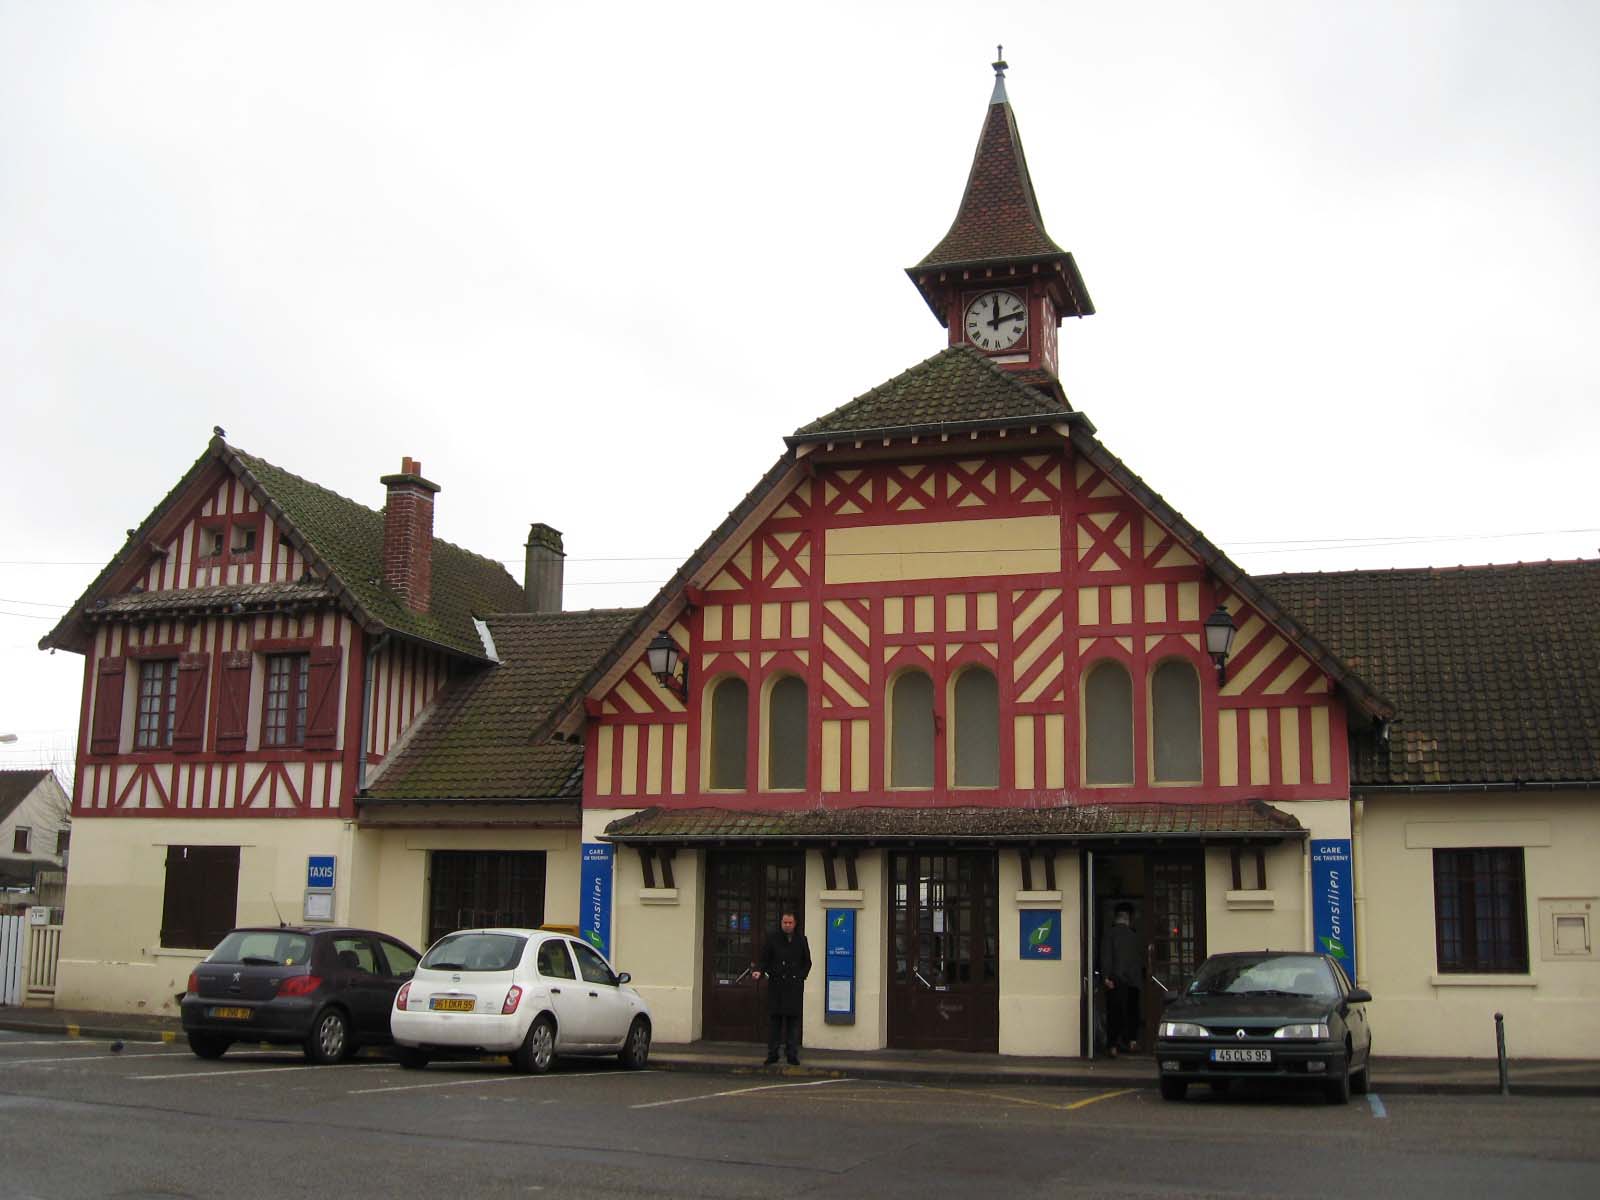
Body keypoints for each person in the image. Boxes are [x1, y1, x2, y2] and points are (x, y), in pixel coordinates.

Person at [753, 910, 811, 1065]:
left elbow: (807, 962)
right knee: (775, 1023)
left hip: (794, 987)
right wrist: (759, 971)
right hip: (777, 986)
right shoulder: (773, 939)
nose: (787, 925)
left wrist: (801, 976)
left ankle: (792, 1054)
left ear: (795, 923)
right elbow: (764, 959)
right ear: (781, 923)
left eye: (790, 923)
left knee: (793, 1023)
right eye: (785, 922)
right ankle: (773, 1053)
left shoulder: (801, 940)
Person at [1101, 901, 1142, 1057]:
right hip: (1134, 980)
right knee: (1133, 1012)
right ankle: (1132, 1041)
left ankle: (1113, 1046)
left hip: (1116, 979)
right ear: (1128, 919)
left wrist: (1105, 976)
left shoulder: (1109, 934)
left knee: (1115, 1013)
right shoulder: (1134, 935)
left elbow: (1106, 957)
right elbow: (1140, 958)